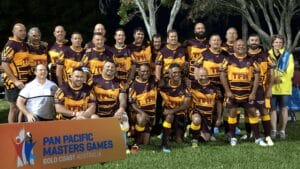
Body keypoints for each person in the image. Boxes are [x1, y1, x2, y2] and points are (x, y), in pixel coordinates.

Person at [220, 39, 267, 146]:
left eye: (242, 45)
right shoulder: (228, 59)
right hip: (233, 93)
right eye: (238, 45)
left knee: (252, 113)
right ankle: (233, 137)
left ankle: (257, 138)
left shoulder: (251, 60)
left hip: (247, 94)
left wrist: (253, 92)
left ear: (245, 47)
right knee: (232, 113)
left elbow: (257, 75)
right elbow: (222, 74)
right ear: (234, 47)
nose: (240, 46)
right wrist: (227, 91)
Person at [241, 34, 274, 146]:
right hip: (246, 88)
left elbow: (272, 72)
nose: (254, 42)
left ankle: (267, 135)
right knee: (248, 110)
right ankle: (249, 132)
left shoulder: (265, 55)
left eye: (256, 40)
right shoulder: (244, 55)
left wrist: (269, 88)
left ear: (259, 42)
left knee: (263, 110)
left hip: (261, 88)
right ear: (248, 42)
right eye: (252, 40)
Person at [194, 34, 227, 137]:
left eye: (218, 40)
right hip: (207, 85)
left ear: (221, 42)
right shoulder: (204, 54)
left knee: (218, 109)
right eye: (214, 40)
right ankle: (198, 129)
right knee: (207, 108)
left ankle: (216, 129)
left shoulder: (226, 55)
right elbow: (196, 67)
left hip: (221, 86)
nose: (216, 42)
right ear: (209, 42)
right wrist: (197, 80)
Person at [1, 23, 31, 123]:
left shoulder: (23, 44)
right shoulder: (10, 45)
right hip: (13, 83)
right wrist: (15, 81)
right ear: (13, 32)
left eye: (24, 30)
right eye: (20, 31)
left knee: (22, 107)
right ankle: (11, 131)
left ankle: (20, 130)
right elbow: (4, 64)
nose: (23, 33)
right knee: (14, 108)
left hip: (24, 82)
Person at [159, 63, 191, 153]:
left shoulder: (186, 86)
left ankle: (176, 132)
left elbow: (186, 105)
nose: (176, 74)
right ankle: (164, 143)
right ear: (169, 74)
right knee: (169, 116)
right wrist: (164, 110)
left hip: (181, 114)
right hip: (168, 114)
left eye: (178, 72)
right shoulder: (163, 85)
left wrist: (172, 110)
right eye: (174, 72)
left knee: (179, 141)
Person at [268, 35, 294, 139]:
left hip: (284, 87)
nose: (278, 44)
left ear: (282, 44)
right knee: (272, 109)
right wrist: (272, 80)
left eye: (280, 42)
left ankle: (282, 130)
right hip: (271, 87)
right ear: (272, 43)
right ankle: (274, 130)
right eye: (276, 42)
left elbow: (290, 72)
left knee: (284, 109)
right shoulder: (267, 55)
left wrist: (280, 79)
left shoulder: (288, 56)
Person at [189, 67, 221, 147]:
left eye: (204, 75)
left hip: (208, 115)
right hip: (196, 112)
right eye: (200, 76)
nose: (202, 77)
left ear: (208, 75)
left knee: (206, 139)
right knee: (196, 120)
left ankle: (190, 129)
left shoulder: (214, 87)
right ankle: (194, 139)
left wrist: (219, 118)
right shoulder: (193, 85)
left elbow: (219, 103)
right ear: (197, 75)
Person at [128, 64, 157, 147]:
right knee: (142, 119)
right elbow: (132, 104)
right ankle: (136, 142)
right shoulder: (133, 85)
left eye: (147, 71)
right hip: (139, 114)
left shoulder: (153, 81)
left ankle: (139, 137)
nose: (146, 73)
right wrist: (142, 113)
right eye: (143, 71)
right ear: (138, 72)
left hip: (151, 115)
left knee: (145, 143)